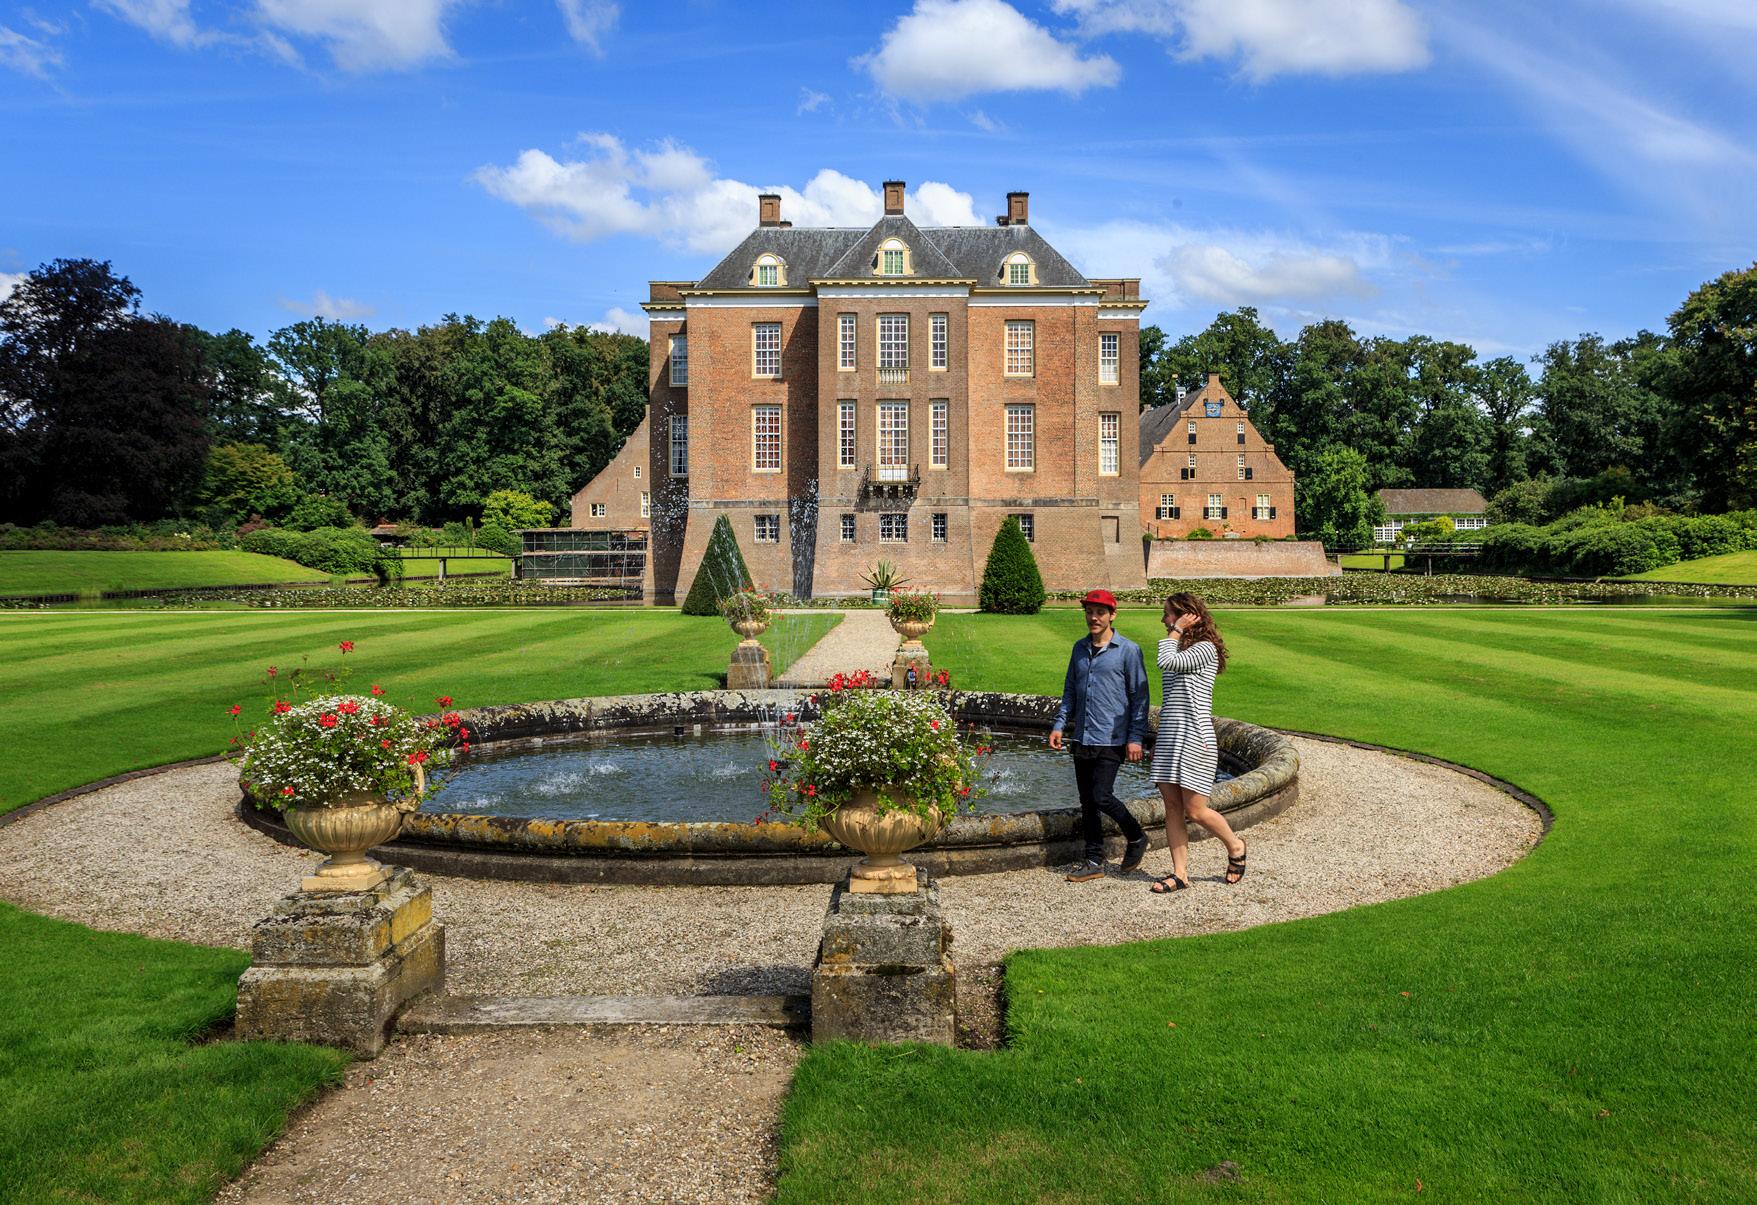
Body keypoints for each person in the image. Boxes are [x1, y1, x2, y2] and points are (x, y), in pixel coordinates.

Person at [1050, 589, 1151, 882]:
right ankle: (1094, 860)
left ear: (1112, 615)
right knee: (1087, 802)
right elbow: (1070, 690)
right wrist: (1059, 724)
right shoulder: (1079, 648)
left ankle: (1136, 836)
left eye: (1100, 612)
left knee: (1101, 795)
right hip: (1083, 736)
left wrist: (1136, 737)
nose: (1093, 618)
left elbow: (1140, 698)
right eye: (1089, 612)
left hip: (1112, 736)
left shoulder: (1128, 650)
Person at [1149, 592, 1248, 893]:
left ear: (1185, 616)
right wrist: (1160, 740)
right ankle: (1180, 874)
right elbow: (1171, 698)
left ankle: (1235, 846)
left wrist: (1176, 629)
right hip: (1170, 736)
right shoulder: (1181, 648)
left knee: (1195, 810)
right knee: (1171, 807)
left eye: (1168, 614)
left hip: (1194, 736)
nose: (1164, 620)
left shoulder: (1204, 649)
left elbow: (1165, 660)